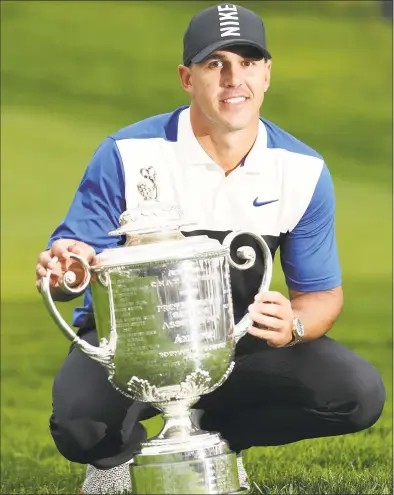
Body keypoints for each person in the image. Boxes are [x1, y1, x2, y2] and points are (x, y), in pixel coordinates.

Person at [36, 4, 386, 494]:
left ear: (266, 74)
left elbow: (321, 296)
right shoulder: (127, 152)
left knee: (357, 395)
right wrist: (64, 269)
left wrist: (295, 326)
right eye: (215, 63)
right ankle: (114, 461)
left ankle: (212, 438)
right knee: (81, 428)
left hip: (236, 343)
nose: (232, 79)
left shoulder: (302, 171)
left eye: (247, 62)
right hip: (132, 346)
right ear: (187, 77)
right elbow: (75, 261)